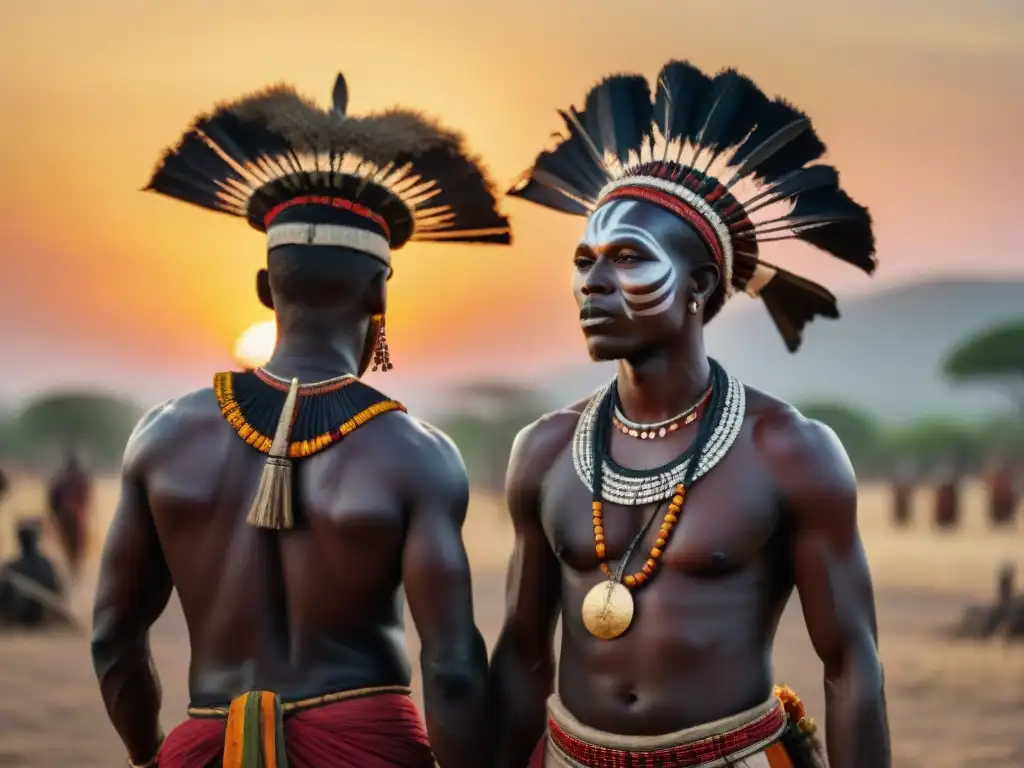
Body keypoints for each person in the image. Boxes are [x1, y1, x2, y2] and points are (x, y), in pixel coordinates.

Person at [91, 72, 511, 768]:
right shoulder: (416, 454)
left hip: (206, 743)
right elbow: (455, 667)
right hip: (370, 748)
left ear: (264, 288)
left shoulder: (162, 435)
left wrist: (152, 754)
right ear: (380, 292)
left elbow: (113, 637)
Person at [490, 62, 890, 767]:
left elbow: (851, 663)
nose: (592, 283)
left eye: (627, 259)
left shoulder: (789, 451)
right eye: (584, 261)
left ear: (700, 286)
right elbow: (522, 654)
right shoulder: (546, 449)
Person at [0, 519, 64, 627]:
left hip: (35, 614)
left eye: (27, 537)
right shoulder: (13, 566)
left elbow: (57, 592)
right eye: (23, 537)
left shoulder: (44, 565)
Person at [47, 446, 93, 575]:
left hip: (65, 516)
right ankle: (75, 569)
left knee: (69, 546)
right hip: (78, 516)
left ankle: (73, 569)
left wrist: (54, 516)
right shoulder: (83, 477)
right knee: (77, 546)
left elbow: (52, 500)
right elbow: (87, 497)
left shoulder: (59, 478)